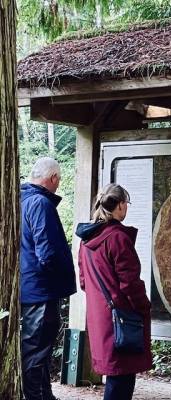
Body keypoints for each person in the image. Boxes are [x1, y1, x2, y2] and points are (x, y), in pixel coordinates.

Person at [76, 183, 152, 400]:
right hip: (121, 319)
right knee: (122, 381)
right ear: (119, 206)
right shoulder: (118, 238)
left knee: (116, 377)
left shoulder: (87, 239)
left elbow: (84, 282)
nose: (126, 208)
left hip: (101, 318)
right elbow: (130, 283)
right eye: (126, 203)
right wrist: (144, 307)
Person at [20, 157, 77, 400]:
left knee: (38, 350)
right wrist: (57, 280)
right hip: (41, 290)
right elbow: (47, 252)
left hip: (29, 287)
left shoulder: (20, 200)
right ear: (53, 178)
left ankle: (45, 395)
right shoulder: (40, 203)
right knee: (35, 352)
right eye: (59, 180)